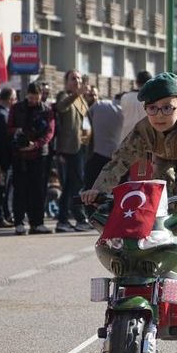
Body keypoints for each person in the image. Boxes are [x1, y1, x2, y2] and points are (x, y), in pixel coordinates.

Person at [81, 72, 177, 214]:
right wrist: (97, 190)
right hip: (162, 157)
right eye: (152, 108)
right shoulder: (142, 130)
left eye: (167, 108)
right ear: (145, 110)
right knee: (159, 199)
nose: (159, 115)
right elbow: (118, 161)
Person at [9, 82, 56, 235]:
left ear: (41, 95)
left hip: (39, 155)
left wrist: (35, 144)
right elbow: (9, 127)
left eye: (36, 97)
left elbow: (49, 132)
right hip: (20, 155)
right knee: (20, 189)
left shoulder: (47, 110)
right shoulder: (16, 108)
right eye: (31, 97)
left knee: (38, 190)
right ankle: (19, 222)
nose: (33, 100)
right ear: (26, 95)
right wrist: (19, 132)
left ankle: (37, 223)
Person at [54, 70, 92, 233]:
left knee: (74, 184)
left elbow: (86, 121)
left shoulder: (82, 99)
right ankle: (75, 218)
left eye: (78, 78)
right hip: (68, 149)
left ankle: (67, 219)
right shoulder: (64, 96)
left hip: (81, 147)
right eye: (73, 78)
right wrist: (76, 94)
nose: (76, 81)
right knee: (73, 185)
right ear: (66, 82)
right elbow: (61, 107)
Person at [84, 93, 123, 190]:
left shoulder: (99, 104)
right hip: (117, 159)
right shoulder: (125, 111)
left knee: (91, 190)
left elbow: (86, 121)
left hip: (96, 155)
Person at [0, 87, 16, 227]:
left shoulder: (2, 112)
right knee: (0, 189)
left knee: (4, 189)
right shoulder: (1, 114)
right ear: (10, 98)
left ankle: (5, 215)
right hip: (2, 159)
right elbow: (1, 140)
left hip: (3, 158)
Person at [119, 70, 151, 144]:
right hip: (145, 141)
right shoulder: (152, 98)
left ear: (136, 82)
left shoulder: (125, 97)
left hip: (126, 140)